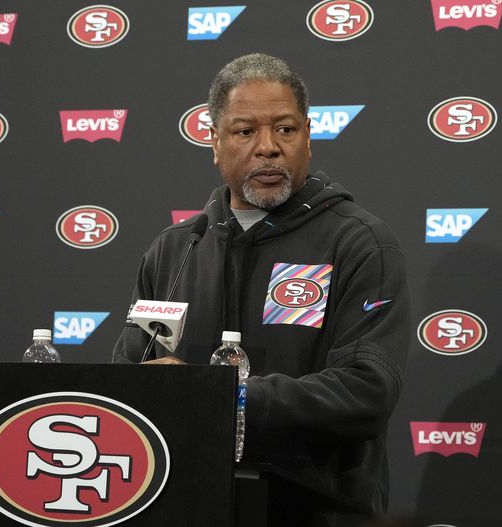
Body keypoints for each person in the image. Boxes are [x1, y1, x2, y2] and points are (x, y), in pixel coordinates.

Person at [113, 53, 411, 527]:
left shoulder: (358, 242)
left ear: (308, 138)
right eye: (245, 131)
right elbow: (127, 383)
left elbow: (367, 391)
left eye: (286, 130)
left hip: (318, 510)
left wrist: (232, 397)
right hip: (186, 504)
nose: (268, 147)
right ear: (214, 142)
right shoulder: (176, 251)